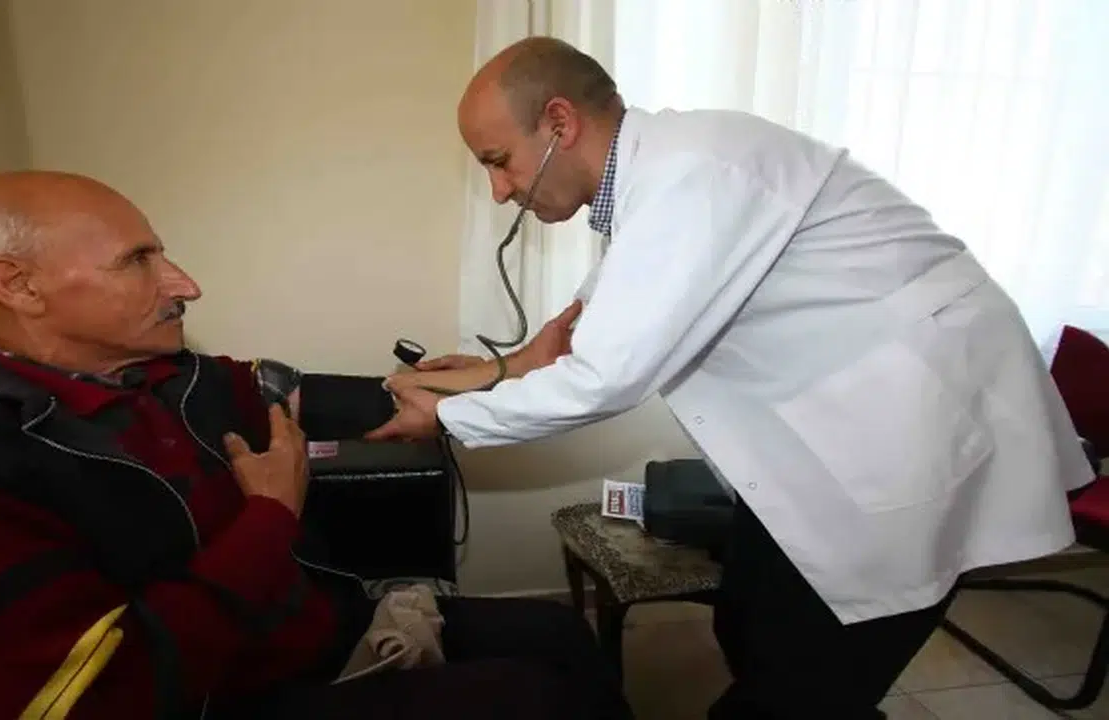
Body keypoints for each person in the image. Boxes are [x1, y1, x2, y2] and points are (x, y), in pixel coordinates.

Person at [368, 36, 1096, 719]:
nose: (499, 191)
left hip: (918, 418)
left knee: (799, 681)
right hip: (850, 419)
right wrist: (490, 370)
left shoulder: (694, 175)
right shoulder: (657, 180)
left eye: (499, 161)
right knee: (747, 618)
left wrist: (448, 417)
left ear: (560, 122)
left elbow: (606, 374)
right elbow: (585, 326)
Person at [0, 170, 634, 720]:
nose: (185, 284)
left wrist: (513, 368)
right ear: (17, 284)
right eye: (138, 261)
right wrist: (269, 521)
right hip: (216, 696)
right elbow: (101, 694)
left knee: (560, 635)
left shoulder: (169, 374)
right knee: (529, 699)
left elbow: (347, 397)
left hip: (311, 635)